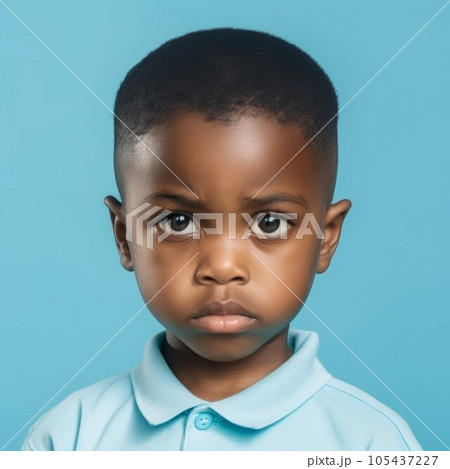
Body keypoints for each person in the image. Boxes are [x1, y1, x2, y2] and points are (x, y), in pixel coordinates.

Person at [21, 27, 422, 451]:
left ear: (326, 237)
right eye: (177, 222)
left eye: (269, 223)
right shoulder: (68, 437)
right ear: (125, 237)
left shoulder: (374, 444)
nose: (222, 267)